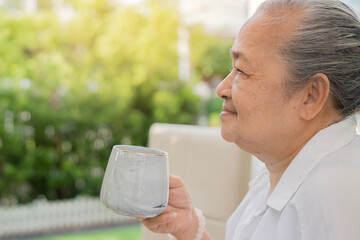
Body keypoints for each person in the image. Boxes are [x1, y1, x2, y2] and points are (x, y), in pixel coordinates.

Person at [139, 0, 360, 239]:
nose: (222, 88)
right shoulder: (285, 170)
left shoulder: (333, 199)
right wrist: (190, 228)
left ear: (311, 96)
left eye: (242, 71)